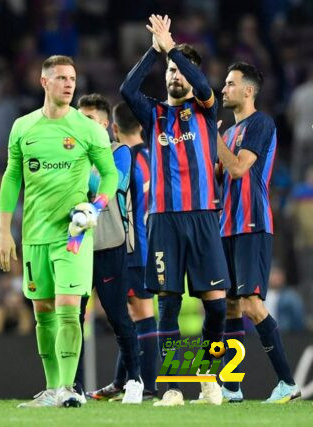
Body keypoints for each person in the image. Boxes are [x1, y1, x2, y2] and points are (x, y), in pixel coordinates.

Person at [0, 55, 118, 408]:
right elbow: (12, 178)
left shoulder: (88, 129)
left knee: (68, 308)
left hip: (73, 235)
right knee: (43, 314)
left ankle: (68, 388)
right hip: (34, 236)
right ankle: (53, 390)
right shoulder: (23, 127)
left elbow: (109, 174)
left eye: (73, 78)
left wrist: (95, 206)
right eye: (62, 78)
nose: (69, 84)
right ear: (44, 82)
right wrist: (4, 231)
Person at [120, 15, 229, 406]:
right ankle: (170, 387)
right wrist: (156, 49)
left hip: (202, 216)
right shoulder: (154, 115)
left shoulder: (205, 109)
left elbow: (200, 84)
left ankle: (208, 377)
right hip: (164, 220)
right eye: (168, 70)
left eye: (178, 70)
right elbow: (126, 87)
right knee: (168, 304)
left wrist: (175, 51)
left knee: (215, 306)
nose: (173, 76)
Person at [218, 62, 301, 403]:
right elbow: (220, 173)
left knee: (252, 304)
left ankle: (287, 382)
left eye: (229, 83)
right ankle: (231, 386)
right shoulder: (227, 134)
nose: (223, 89)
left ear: (248, 90)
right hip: (226, 227)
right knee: (232, 307)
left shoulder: (261, 123)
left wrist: (212, 139)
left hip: (251, 223)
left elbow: (238, 168)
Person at [73, 94, 143, 404]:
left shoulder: (120, 152)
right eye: (78, 119)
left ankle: (135, 380)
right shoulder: (70, 154)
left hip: (110, 244)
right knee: (71, 317)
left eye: (87, 119)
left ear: (105, 125)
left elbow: (112, 185)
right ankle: (71, 385)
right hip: (75, 245)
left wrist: (75, 170)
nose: (80, 125)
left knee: (118, 317)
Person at [85, 101, 158, 402]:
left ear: (112, 127)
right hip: (140, 242)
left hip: (132, 244)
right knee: (125, 314)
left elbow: (122, 193)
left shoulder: (130, 157)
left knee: (140, 312)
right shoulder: (153, 156)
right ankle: (122, 381)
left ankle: (147, 385)